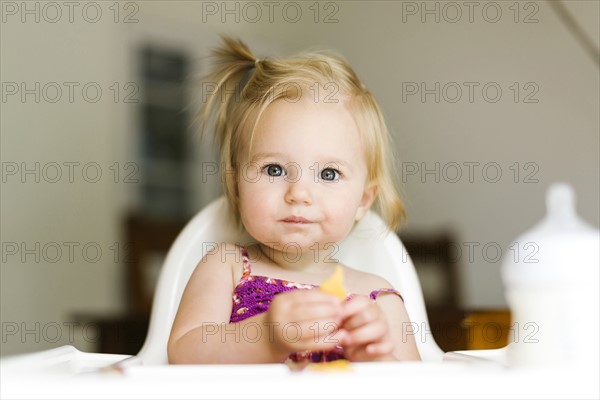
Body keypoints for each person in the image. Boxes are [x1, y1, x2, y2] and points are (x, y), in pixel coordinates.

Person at [168, 37, 421, 364]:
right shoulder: (226, 266)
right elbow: (183, 354)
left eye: (329, 174)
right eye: (274, 169)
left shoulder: (379, 299)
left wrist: (375, 359)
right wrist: (267, 336)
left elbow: (416, 386)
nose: (299, 194)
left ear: (364, 199)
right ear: (235, 185)